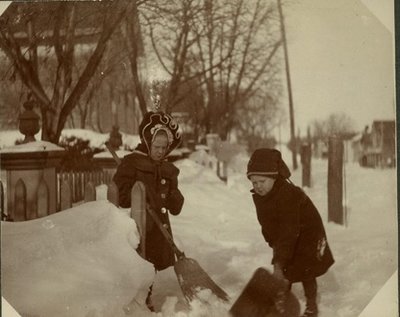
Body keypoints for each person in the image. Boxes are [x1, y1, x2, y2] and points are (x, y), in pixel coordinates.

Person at [247, 148, 334, 317]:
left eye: (262, 181)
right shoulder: (263, 196)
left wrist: (278, 261)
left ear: (274, 177)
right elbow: (269, 223)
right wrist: (273, 244)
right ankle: (280, 303)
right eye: (254, 182)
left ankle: (311, 305)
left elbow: (288, 230)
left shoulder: (287, 195)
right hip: (289, 233)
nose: (257, 186)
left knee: (306, 268)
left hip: (308, 231)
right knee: (285, 267)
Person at [113, 111, 184, 311]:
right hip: (137, 225)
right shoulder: (132, 163)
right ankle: (138, 302)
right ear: (148, 142)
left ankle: (146, 300)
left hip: (158, 226)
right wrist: (139, 200)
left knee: (152, 264)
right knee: (139, 261)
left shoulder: (168, 169)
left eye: (164, 148)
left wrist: (173, 197)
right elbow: (120, 195)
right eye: (157, 147)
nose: (161, 151)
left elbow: (175, 205)